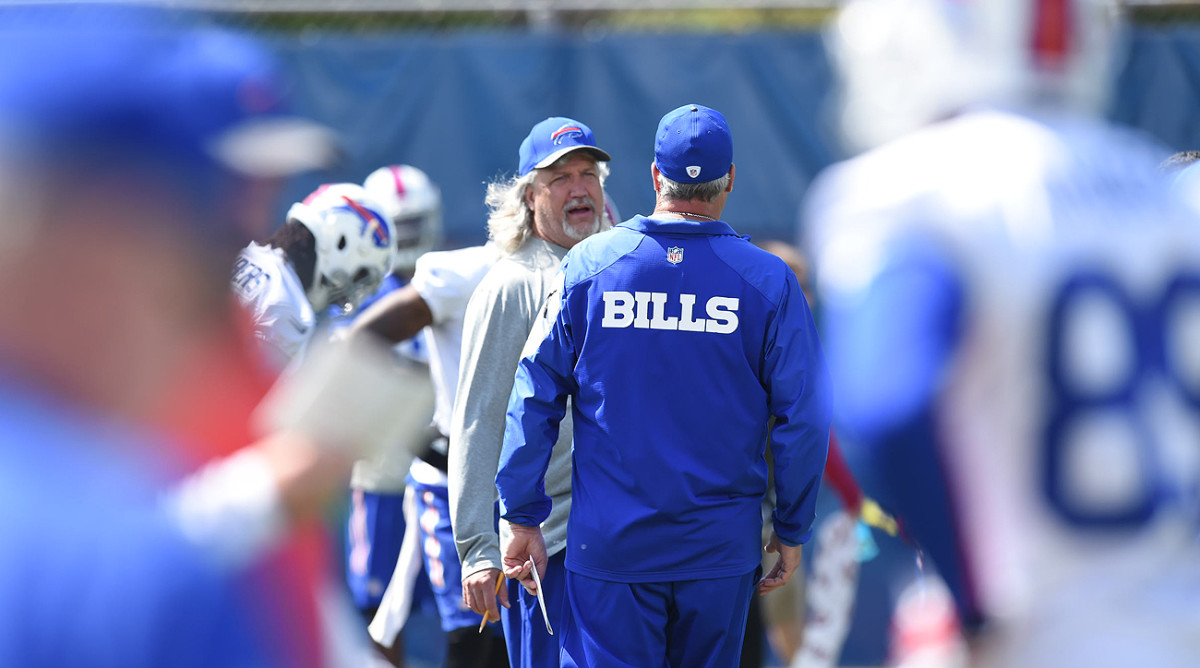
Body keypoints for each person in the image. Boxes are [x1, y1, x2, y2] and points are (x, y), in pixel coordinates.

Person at [805, 0, 1200, 665]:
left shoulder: (918, 192)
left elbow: (886, 405)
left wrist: (971, 607)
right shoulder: (1170, 197)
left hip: (1046, 633)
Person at [0, 6, 324, 666]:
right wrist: (259, 496)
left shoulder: (253, 294)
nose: (250, 198)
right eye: (210, 188)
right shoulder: (133, 580)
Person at [496, 104, 832, 667]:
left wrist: (521, 513)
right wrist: (792, 528)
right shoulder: (768, 280)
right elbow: (805, 416)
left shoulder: (590, 266)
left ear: (655, 176)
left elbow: (533, 393)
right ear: (730, 180)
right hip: (718, 552)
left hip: (612, 549)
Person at [449, 116, 613, 668]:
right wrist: (478, 548)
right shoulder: (511, 285)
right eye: (560, 178)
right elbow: (479, 418)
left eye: (588, 174)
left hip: (620, 541)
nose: (579, 189)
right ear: (528, 197)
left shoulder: (617, 272)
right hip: (547, 545)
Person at [342, 165, 444, 635]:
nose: (406, 236)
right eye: (397, 225)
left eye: (413, 223)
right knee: (377, 605)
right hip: (384, 466)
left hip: (440, 468)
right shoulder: (356, 290)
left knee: (460, 603)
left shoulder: (443, 276)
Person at [232, 182, 397, 371]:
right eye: (360, 274)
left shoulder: (245, 255)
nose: (349, 291)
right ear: (341, 242)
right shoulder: (289, 309)